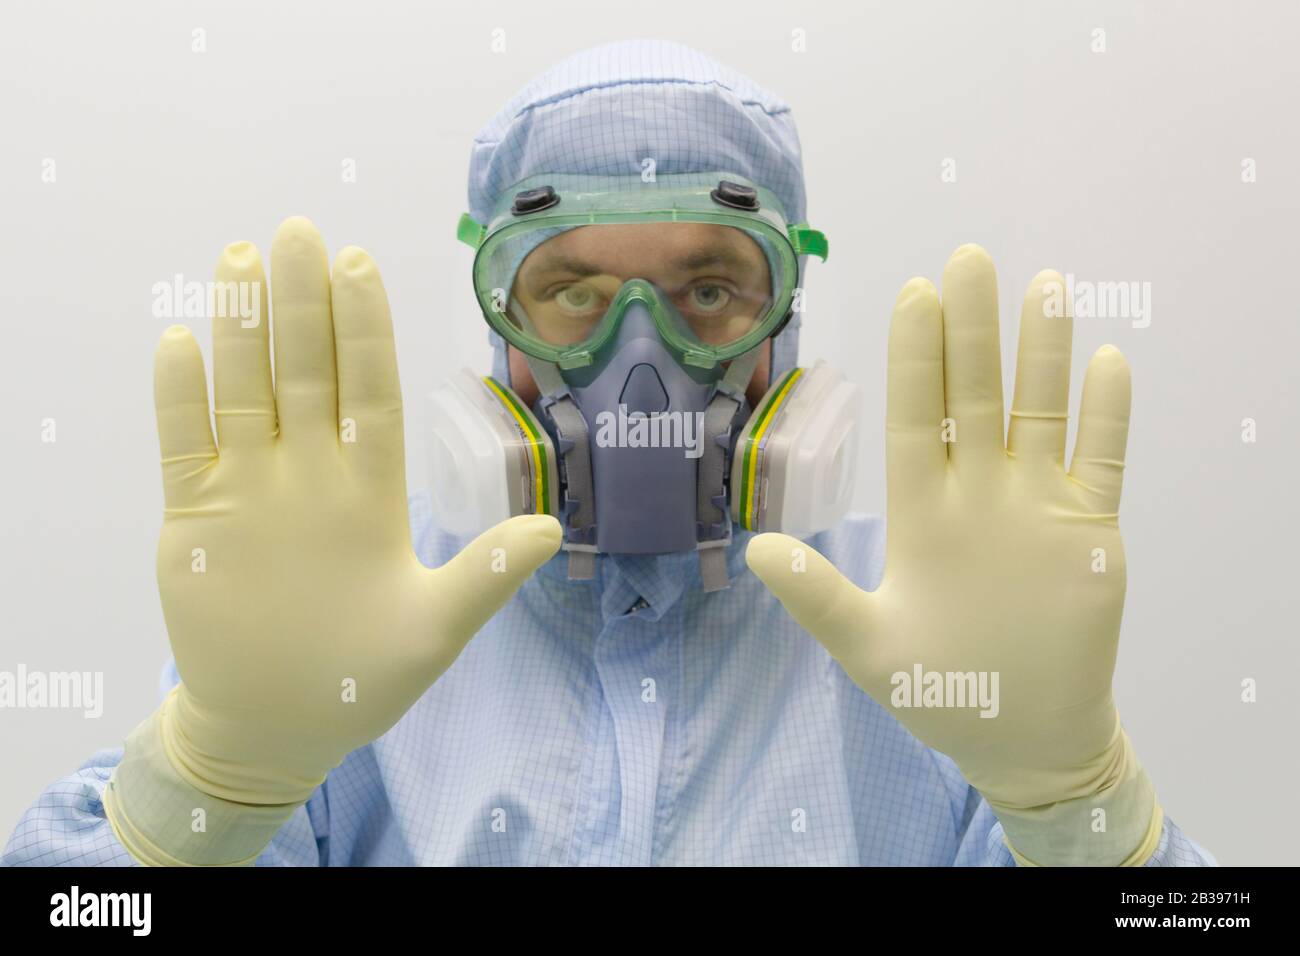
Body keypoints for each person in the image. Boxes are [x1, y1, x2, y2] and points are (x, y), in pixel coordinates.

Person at [3, 40, 1214, 867]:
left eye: (711, 286)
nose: (647, 356)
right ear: (497, 324)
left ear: (784, 315)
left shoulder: (933, 630)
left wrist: (1075, 799)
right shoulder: (339, 614)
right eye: (572, 291)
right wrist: (205, 784)